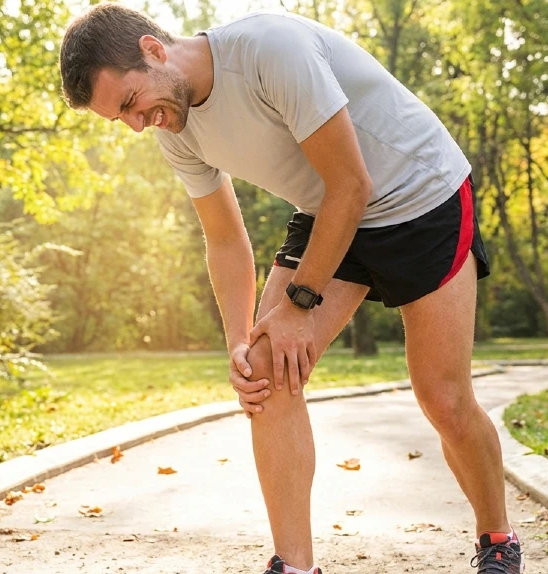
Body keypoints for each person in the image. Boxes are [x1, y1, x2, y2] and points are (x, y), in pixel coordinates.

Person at [58, 4, 523, 574]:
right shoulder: (175, 129)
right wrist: (238, 342)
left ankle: (498, 538)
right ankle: (296, 566)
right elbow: (225, 239)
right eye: (121, 119)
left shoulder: (269, 49)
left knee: (443, 398)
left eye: (131, 102)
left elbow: (352, 182)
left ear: (153, 50)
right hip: (330, 208)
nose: (137, 125)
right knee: (264, 370)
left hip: (420, 197)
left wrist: (299, 306)